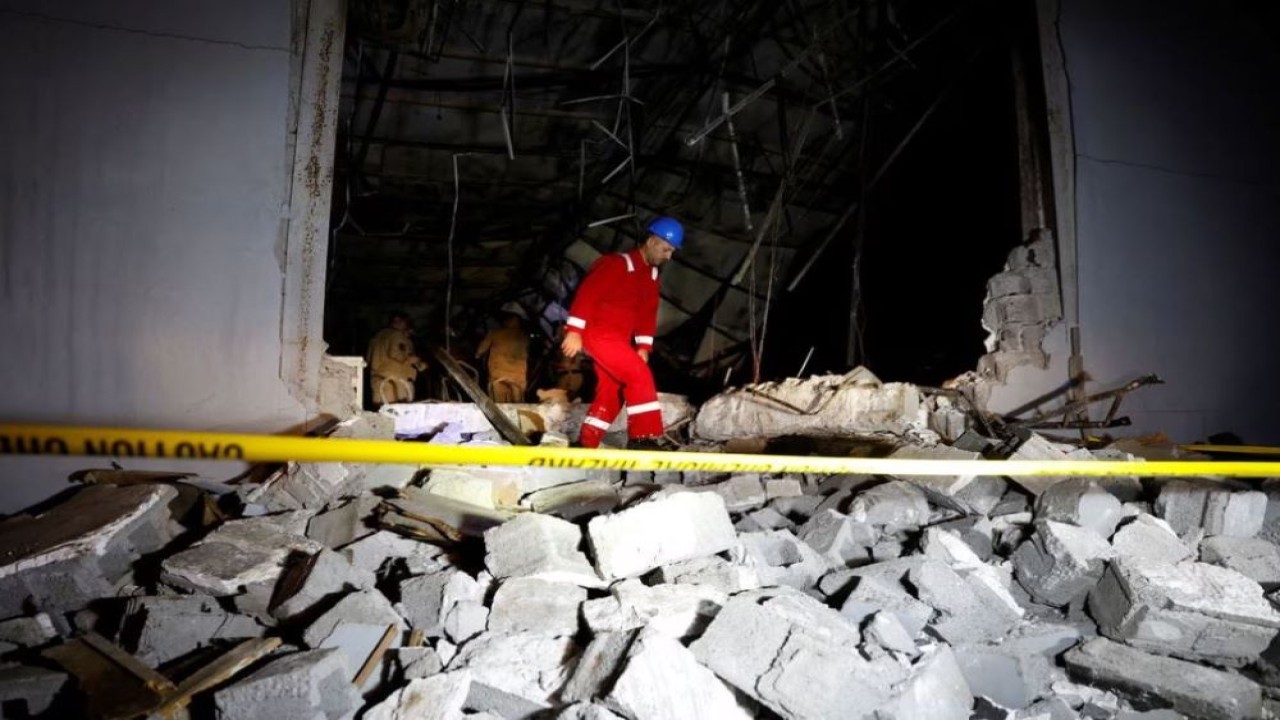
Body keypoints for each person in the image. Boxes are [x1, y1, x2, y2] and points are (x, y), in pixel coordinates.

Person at [560, 216, 683, 449]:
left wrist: (643, 347)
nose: (669, 256)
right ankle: (643, 437)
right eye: (666, 250)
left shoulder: (652, 276)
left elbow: (647, 314)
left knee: (612, 390)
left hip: (619, 340)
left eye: (672, 252)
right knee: (639, 376)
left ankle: (588, 441)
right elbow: (587, 296)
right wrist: (574, 331)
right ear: (651, 241)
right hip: (599, 334)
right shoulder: (615, 264)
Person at [367, 312, 427, 406]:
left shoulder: (378, 336)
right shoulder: (396, 335)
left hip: (378, 381)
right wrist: (417, 362)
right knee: (400, 415)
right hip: (396, 384)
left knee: (382, 415)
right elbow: (398, 354)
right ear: (398, 320)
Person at [476, 313, 529, 403]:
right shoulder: (524, 337)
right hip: (518, 380)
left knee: (499, 407)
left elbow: (479, 352)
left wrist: (478, 355)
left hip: (498, 378)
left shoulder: (495, 333)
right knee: (518, 408)